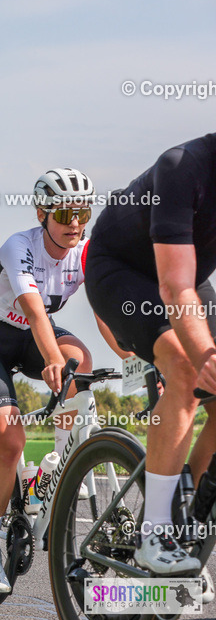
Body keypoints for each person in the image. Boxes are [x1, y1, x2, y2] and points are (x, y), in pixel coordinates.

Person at [0, 169, 96, 593]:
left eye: (83, 211)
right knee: (11, 441)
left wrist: (137, 358)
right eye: (64, 212)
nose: (75, 222)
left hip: (31, 338)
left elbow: (108, 307)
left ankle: (56, 482)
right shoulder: (20, 247)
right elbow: (36, 312)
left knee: (83, 365)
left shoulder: (86, 252)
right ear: (42, 213)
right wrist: (52, 360)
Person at [86, 133, 216, 576]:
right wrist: (205, 356)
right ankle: (153, 534)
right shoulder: (183, 167)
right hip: (119, 270)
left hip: (186, 275)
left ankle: (186, 524)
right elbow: (174, 288)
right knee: (187, 368)